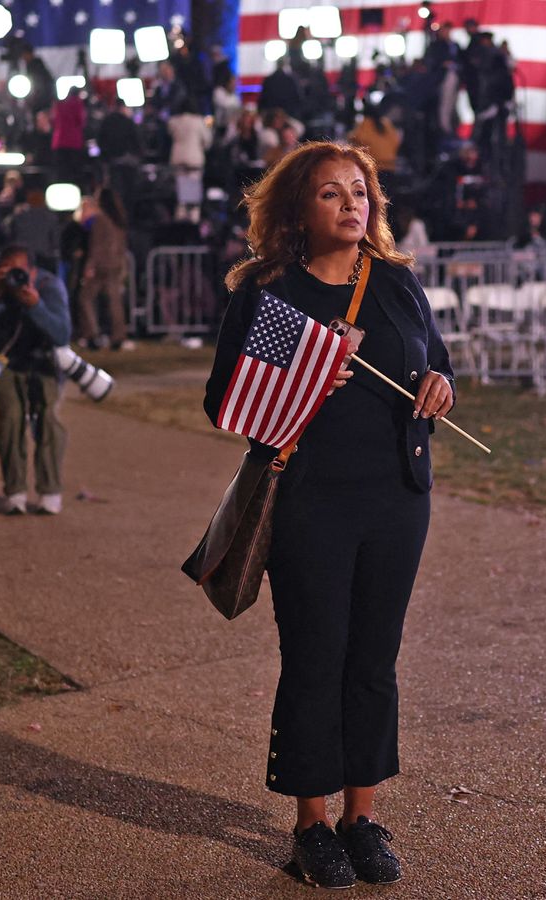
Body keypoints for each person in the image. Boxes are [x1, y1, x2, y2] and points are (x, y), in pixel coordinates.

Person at [204, 141, 455, 890]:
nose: (352, 204)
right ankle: (311, 823)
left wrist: (442, 384)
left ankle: (361, 816)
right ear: (297, 210)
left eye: (360, 191)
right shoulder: (276, 293)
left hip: (397, 498)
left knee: (374, 659)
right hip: (312, 498)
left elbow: (436, 360)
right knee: (317, 657)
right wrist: (308, 382)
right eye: (331, 194)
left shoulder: (395, 284)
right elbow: (231, 399)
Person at [0, 245, 72, 516]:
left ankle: (49, 492)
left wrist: (36, 305)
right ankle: (15, 492)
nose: (14, 277)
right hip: (7, 362)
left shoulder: (49, 286)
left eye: (19, 271)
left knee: (48, 420)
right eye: (8, 271)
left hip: (43, 362)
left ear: (31, 269)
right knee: (10, 418)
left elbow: (62, 334)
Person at [73, 187, 132, 351]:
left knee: (85, 298)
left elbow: (96, 246)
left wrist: (89, 266)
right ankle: (118, 336)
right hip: (115, 265)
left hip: (100, 265)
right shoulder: (118, 220)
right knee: (114, 302)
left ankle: (91, 335)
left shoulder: (100, 220)